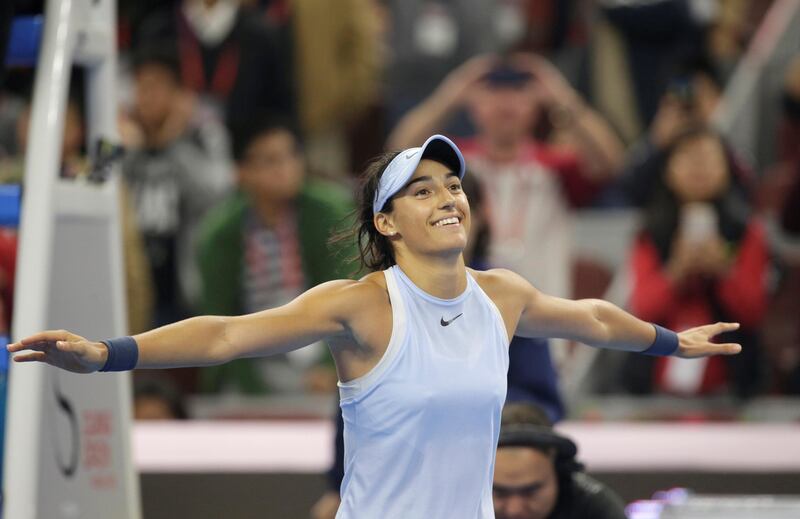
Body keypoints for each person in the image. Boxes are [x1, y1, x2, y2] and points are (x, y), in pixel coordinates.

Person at [9, 134, 741, 518]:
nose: (447, 196)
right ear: (387, 222)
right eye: (422, 190)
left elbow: (589, 318)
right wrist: (108, 352)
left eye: (453, 185)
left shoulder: (503, 294)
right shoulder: (360, 304)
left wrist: (671, 339)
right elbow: (228, 334)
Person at [195, 116, 355, 394]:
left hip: (320, 346)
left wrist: (330, 366)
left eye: (291, 156)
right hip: (252, 351)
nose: (286, 169)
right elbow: (216, 316)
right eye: (271, 161)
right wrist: (251, 387)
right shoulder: (219, 235)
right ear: (242, 172)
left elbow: (349, 295)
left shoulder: (331, 212)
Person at [621, 127, 767, 398]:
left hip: (732, 384)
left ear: (727, 169)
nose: (698, 167)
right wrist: (676, 271)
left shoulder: (746, 231)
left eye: (708, 158)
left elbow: (752, 311)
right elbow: (642, 308)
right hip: (654, 385)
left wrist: (722, 269)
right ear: (668, 170)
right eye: (688, 157)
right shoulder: (651, 233)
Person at [494, 402, 626, 519]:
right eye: (499, 493)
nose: (514, 510)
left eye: (530, 492)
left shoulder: (596, 509)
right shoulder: (472, 503)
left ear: (558, 472)